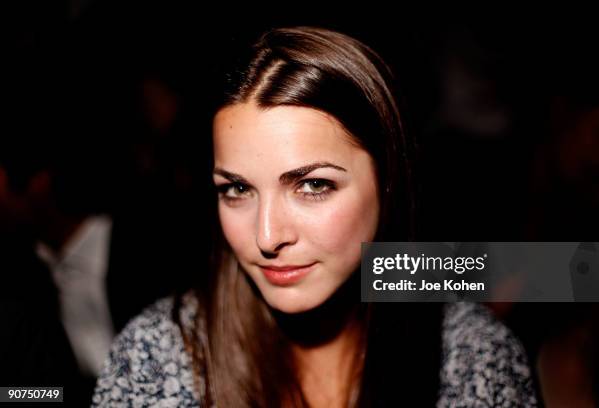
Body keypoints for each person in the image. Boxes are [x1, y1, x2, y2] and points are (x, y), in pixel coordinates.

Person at [92, 27, 537, 407]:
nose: (266, 237)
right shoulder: (155, 355)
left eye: (312, 185)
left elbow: (578, 270)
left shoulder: (472, 355)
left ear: (388, 180)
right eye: (237, 189)